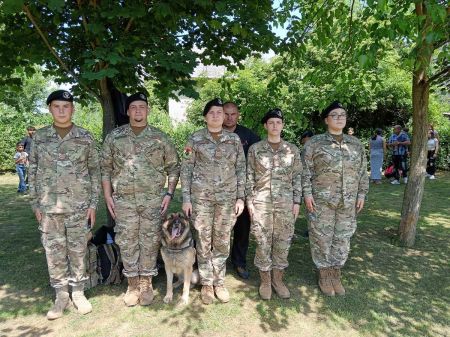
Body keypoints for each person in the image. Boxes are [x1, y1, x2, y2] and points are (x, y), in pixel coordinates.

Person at [101, 92, 180, 307]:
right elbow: (105, 169)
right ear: (127, 111)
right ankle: (132, 284)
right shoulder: (115, 137)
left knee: (150, 241)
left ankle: (146, 283)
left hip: (153, 200)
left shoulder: (160, 137)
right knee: (127, 241)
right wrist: (107, 195)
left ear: (148, 110)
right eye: (133, 107)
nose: (138, 111)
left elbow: (174, 167)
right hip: (124, 201)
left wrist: (169, 193)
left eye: (142, 107)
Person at [28, 90, 101, 320]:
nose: (62, 110)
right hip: (49, 207)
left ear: (72, 109)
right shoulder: (39, 138)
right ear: (50, 108)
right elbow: (32, 171)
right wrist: (35, 204)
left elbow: (94, 172)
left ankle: (78, 292)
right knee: (54, 252)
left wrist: (92, 204)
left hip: (79, 206)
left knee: (78, 250)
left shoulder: (85, 137)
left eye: (66, 106)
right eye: (57, 106)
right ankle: (61, 295)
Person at [181, 98, 246, 305]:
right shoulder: (194, 139)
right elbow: (186, 170)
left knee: (222, 239)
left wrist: (241, 197)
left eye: (220, 112)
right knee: (203, 239)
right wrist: (186, 199)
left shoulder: (234, 139)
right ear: (205, 117)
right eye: (212, 112)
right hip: (201, 200)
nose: (217, 116)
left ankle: (219, 282)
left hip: (227, 200)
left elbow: (241, 169)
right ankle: (207, 284)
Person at [302, 101, 369, 296]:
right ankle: (324, 274)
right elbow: (305, 171)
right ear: (326, 120)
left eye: (342, 115)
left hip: (348, 200)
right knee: (321, 237)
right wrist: (307, 193)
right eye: (334, 115)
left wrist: (362, 193)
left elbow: (362, 172)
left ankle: (336, 273)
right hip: (321, 200)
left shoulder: (355, 144)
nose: (339, 118)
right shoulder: (314, 143)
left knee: (342, 237)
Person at [246, 108, 302, 300]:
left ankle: (278, 280)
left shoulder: (292, 150)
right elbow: (249, 177)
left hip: (285, 202)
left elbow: (297, 177)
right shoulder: (255, 149)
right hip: (261, 202)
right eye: (271, 123)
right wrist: (249, 201)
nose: (275, 126)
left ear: (282, 125)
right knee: (262, 240)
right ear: (265, 126)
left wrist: (297, 201)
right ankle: (265, 281)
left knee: (283, 241)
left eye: (278, 122)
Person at [223, 101, 260, 280]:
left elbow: (259, 160)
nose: (229, 118)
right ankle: (217, 263)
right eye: (226, 114)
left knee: (242, 228)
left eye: (233, 114)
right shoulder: (213, 132)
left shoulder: (248, 135)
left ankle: (239, 262)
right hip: (218, 190)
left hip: (242, 189)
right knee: (218, 228)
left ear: (238, 115)